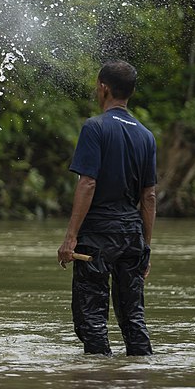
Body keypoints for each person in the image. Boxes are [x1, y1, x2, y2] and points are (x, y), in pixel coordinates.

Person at [57, 60, 158, 356]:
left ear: (103, 89)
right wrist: (145, 249)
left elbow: (87, 183)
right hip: (132, 236)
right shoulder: (147, 136)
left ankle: (96, 387)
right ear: (131, 92)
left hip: (98, 235)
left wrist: (70, 238)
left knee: (91, 320)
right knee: (133, 318)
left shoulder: (94, 128)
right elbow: (149, 197)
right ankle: (137, 384)